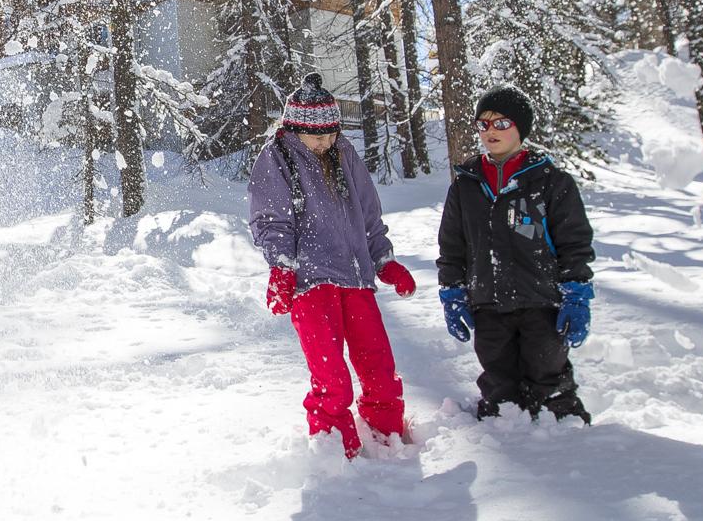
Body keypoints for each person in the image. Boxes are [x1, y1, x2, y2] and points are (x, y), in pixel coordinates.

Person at [249, 72, 418, 459]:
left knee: (379, 369)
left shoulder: (343, 153)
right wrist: (282, 268)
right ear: (295, 128)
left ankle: (386, 437)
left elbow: (368, 211)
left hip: (355, 278)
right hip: (310, 283)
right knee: (333, 380)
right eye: (318, 134)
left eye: (332, 132)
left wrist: (382, 258)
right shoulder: (277, 159)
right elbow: (271, 220)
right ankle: (335, 452)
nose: (326, 141)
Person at [436, 86, 597, 423]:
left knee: (547, 371)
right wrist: (453, 291)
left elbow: (574, 242)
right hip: (488, 302)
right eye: (483, 124)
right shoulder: (466, 185)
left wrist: (576, 292)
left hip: (541, 301)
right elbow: (452, 245)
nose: (490, 131)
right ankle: (503, 426)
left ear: (521, 128)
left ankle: (565, 429)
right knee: (498, 378)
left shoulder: (551, 181)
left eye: (500, 123)